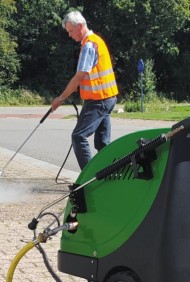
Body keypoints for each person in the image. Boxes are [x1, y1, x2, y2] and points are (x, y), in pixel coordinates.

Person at [51, 11, 118, 170]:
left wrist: (60, 98)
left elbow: (79, 77)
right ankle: (109, 178)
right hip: (108, 98)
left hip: (98, 100)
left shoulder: (89, 45)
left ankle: (89, 180)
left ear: (80, 26)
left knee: (78, 136)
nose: (69, 35)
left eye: (71, 31)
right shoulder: (96, 41)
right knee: (102, 143)